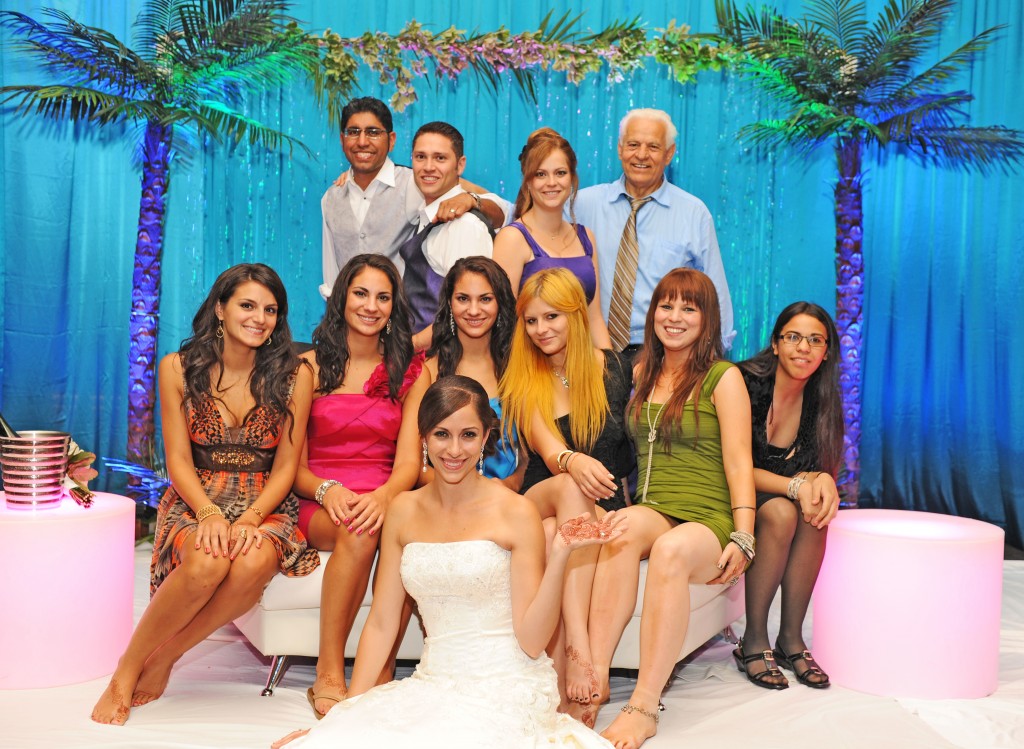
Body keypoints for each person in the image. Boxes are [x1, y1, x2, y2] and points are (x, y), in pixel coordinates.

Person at [271, 375, 625, 749]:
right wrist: (347, 714)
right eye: (442, 434)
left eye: (468, 435)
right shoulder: (403, 510)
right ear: (423, 437)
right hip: (434, 682)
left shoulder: (515, 512)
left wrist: (561, 555)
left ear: (485, 437)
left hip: (508, 685)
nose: (454, 450)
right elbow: (381, 623)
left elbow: (533, 642)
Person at [92, 264, 317, 725]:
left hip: (264, 500)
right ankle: (125, 670)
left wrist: (250, 518)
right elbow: (177, 459)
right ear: (220, 308)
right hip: (198, 493)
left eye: (270, 310)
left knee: (251, 561)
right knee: (208, 561)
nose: (259, 318)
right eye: (247, 305)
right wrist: (209, 512)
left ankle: (166, 655)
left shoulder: (296, 375)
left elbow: (286, 467)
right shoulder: (177, 368)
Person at [581, 269, 754, 749]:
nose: (674, 317)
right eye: (666, 305)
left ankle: (643, 705)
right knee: (617, 528)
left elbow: (740, 462)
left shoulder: (724, 378)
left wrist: (744, 535)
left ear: (707, 318)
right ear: (653, 311)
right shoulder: (640, 373)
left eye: (688, 308)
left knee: (672, 551)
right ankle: (594, 680)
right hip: (656, 506)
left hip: (710, 517)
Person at [293, 254, 429, 717]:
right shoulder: (308, 368)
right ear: (342, 298)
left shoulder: (411, 371)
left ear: (394, 306)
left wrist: (384, 497)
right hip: (319, 498)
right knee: (357, 529)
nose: (371, 306)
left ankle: (381, 668)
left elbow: (409, 462)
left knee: (397, 532)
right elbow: (292, 468)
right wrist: (327, 490)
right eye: (361, 293)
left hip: (386, 495)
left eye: (383, 297)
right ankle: (329, 669)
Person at [498, 267, 633, 710]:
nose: (541, 330)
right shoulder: (522, 377)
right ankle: (579, 645)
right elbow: (548, 447)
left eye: (551, 316)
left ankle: (569, 693)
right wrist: (573, 460)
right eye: (532, 321)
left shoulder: (614, 368)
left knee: (567, 531)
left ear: (575, 314)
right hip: (542, 497)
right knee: (570, 492)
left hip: (594, 508)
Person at [733, 302, 843, 689]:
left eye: (816, 340)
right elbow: (731, 465)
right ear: (776, 343)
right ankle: (753, 639)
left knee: (813, 512)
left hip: (771, 493)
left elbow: (809, 468)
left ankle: (790, 638)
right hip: (728, 493)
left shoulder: (820, 398)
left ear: (826, 352)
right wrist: (797, 485)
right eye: (793, 337)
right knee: (781, 512)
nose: (804, 348)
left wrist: (821, 479)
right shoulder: (742, 383)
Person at [574, 108, 735, 355]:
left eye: (653, 147)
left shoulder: (693, 214)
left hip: (662, 352)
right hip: (590, 349)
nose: (641, 155)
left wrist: (713, 357)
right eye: (633, 144)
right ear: (620, 149)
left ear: (669, 154)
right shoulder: (582, 205)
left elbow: (715, 293)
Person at [320, 97, 508, 298]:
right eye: (353, 132)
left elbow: (502, 209)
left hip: (405, 312)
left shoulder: (416, 181)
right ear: (342, 140)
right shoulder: (331, 197)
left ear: (391, 140)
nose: (362, 142)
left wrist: (470, 199)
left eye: (373, 132)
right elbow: (332, 276)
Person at [493, 127, 612, 348]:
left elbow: (594, 318)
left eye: (560, 173)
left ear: (572, 178)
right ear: (528, 181)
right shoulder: (512, 238)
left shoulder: (586, 237)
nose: (551, 182)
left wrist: (612, 364)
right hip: (531, 362)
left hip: (582, 361)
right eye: (540, 174)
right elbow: (505, 323)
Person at [423, 256, 524, 488]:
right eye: (463, 299)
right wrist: (470, 493)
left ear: (500, 303)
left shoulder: (519, 370)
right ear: (449, 303)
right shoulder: (428, 373)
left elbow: (530, 457)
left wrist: (509, 486)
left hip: (509, 497)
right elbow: (417, 465)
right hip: (446, 498)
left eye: (485, 299)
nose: (474, 310)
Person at [402, 121, 499, 351]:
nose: (428, 167)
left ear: (460, 165)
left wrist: (407, 348)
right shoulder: (429, 214)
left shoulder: (463, 226)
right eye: (420, 157)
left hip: (447, 361)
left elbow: (468, 313)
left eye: (440, 158)